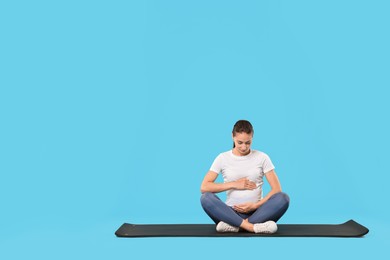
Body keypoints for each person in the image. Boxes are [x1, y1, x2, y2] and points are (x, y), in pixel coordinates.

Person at [200, 120, 290, 233]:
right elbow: (204, 187)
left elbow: (277, 189)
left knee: (283, 198)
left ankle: (235, 226)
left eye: (248, 143)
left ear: (252, 137)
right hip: (229, 213)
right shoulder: (222, 158)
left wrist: (255, 206)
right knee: (206, 198)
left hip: (257, 212)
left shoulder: (262, 157)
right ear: (232, 136)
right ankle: (251, 227)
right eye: (240, 142)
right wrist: (235, 184)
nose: (243, 147)